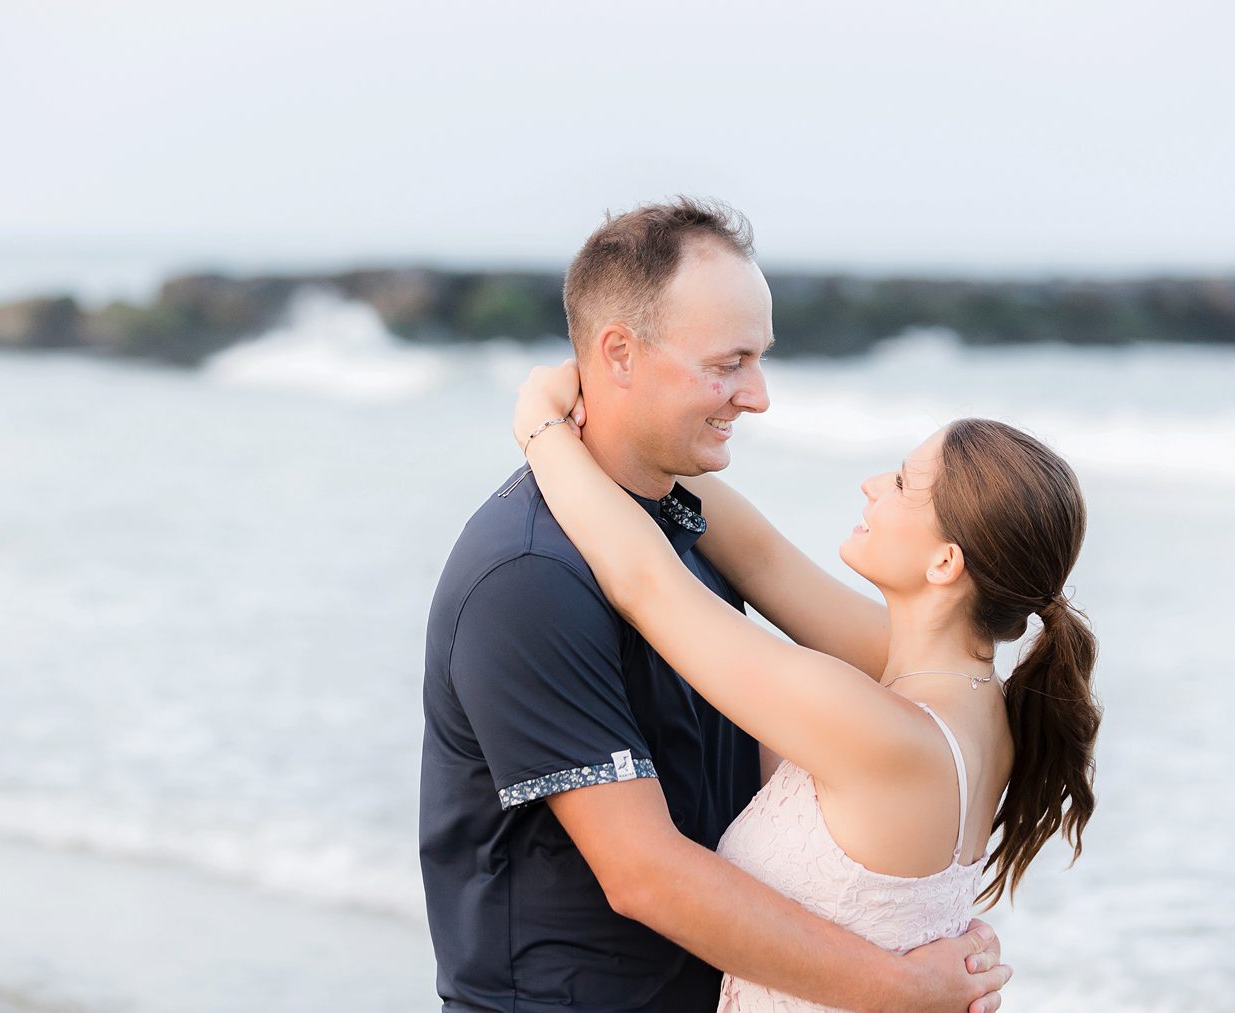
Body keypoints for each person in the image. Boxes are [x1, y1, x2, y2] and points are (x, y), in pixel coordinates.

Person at [420, 198, 1010, 1012]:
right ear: (618, 353)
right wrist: (904, 982)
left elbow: (834, 706)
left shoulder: (690, 526)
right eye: (729, 362)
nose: (759, 396)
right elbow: (644, 872)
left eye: (760, 360)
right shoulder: (528, 577)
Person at [508, 361, 1102, 1011]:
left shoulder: (879, 728)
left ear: (944, 562)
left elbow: (648, 586)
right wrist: (631, 423)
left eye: (903, 484)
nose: (872, 485)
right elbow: (762, 558)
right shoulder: (969, 694)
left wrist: (539, 425)